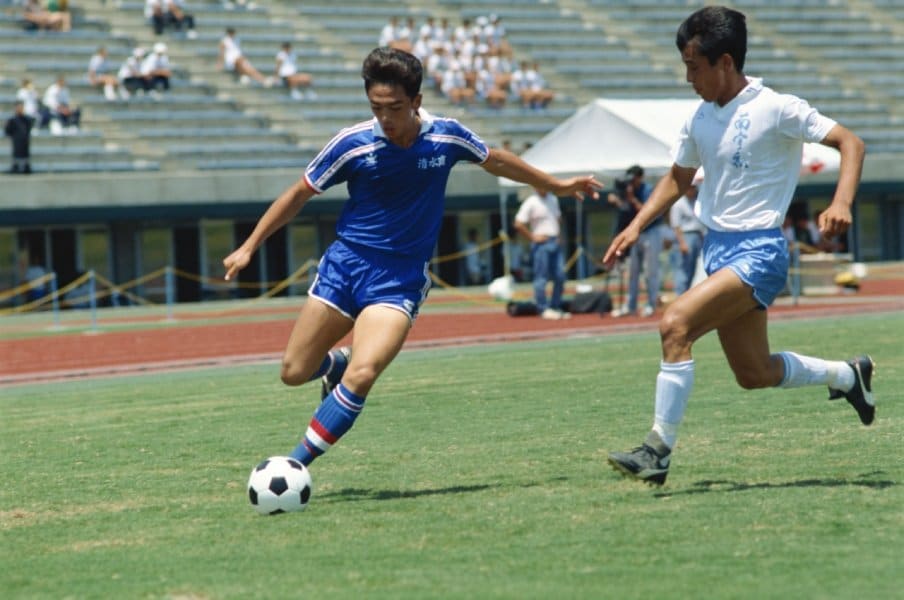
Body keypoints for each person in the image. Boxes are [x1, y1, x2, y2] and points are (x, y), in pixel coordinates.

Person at [222, 47, 601, 473]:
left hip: (398, 279)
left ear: (417, 102)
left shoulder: (446, 137)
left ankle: (294, 465)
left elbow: (495, 160)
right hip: (345, 265)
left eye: (395, 108)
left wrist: (556, 185)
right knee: (293, 372)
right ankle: (336, 361)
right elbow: (299, 193)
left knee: (363, 376)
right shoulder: (352, 143)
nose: (385, 117)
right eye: (376, 107)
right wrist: (249, 245)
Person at [603, 6, 870, 486]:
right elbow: (678, 177)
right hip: (718, 250)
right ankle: (848, 376)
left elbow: (850, 142)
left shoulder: (776, 107)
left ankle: (657, 450)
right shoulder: (699, 118)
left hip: (761, 251)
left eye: (694, 66)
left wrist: (842, 201)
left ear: (725, 62)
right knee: (754, 373)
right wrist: (637, 225)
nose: (689, 77)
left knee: (675, 325)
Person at [610, 165, 663, 318]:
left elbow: (648, 212)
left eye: (633, 179)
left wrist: (632, 198)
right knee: (632, 272)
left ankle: (650, 305)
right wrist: (619, 199)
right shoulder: (628, 189)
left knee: (649, 272)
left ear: (640, 177)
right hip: (636, 234)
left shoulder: (648, 189)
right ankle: (631, 305)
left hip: (651, 232)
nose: (631, 182)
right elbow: (626, 210)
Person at [513, 186, 572, 320]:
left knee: (560, 276)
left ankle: (555, 306)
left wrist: (559, 234)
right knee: (541, 277)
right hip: (541, 243)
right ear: (535, 186)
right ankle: (543, 308)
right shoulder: (531, 202)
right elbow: (518, 223)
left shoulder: (553, 199)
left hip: (554, 242)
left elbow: (558, 217)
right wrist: (532, 237)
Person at [668, 176, 706, 295]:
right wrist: (682, 243)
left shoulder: (697, 201)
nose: (693, 190)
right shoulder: (679, 203)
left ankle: (687, 296)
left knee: (693, 270)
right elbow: (676, 225)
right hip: (686, 236)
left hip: (698, 236)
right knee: (683, 270)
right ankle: (680, 296)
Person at [5, 101, 35, 174]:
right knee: (16, 153)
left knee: (25, 153)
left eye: (21, 107)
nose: (20, 109)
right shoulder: (12, 120)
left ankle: (26, 167)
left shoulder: (27, 119)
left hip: (24, 139)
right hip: (16, 139)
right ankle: (15, 166)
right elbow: (8, 130)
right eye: (18, 107)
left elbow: (30, 126)